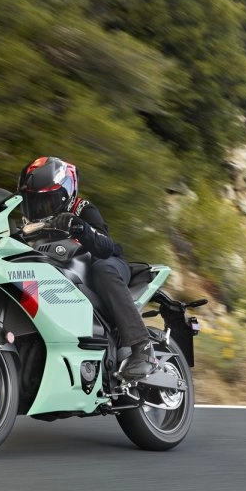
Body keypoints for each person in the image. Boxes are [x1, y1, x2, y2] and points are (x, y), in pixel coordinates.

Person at [17, 156, 158, 380]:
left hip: (106, 263)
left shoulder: (82, 208)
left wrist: (80, 227)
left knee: (103, 269)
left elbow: (106, 246)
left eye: (47, 201)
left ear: (66, 194)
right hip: (63, 273)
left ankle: (143, 348)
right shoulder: (27, 226)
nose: (39, 208)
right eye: (33, 202)